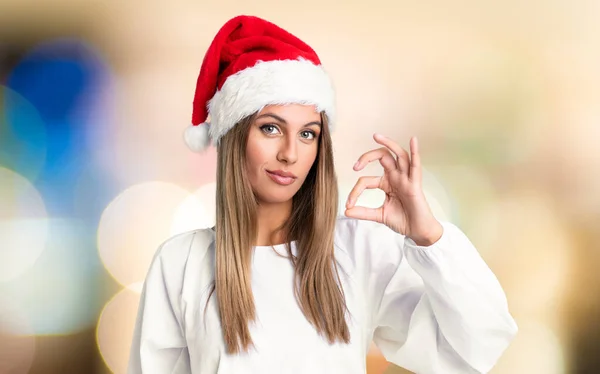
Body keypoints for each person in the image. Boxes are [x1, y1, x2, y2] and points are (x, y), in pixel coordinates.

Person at [127, 15, 517, 374]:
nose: (290, 154)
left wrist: (429, 235)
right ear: (234, 137)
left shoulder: (358, 249)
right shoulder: (182, 263)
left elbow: (475, 347)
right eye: (271, 128)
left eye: (308, 133)